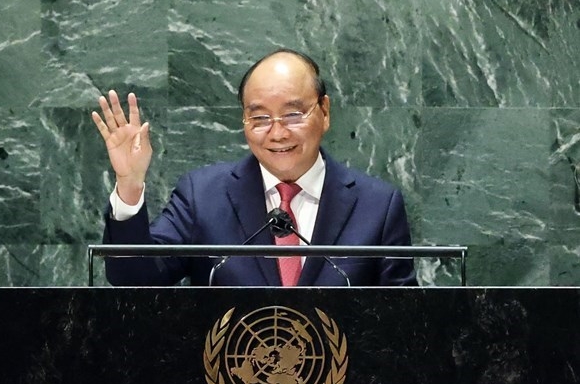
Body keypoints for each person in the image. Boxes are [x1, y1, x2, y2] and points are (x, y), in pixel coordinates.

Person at [92, 48, 417, 286]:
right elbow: (134, 278)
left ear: (325, 112)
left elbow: (405, 320)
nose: (277, 133)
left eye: (292, 114)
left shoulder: (377, 205)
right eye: (260, 118)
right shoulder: (203, 196)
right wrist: (130, 183)